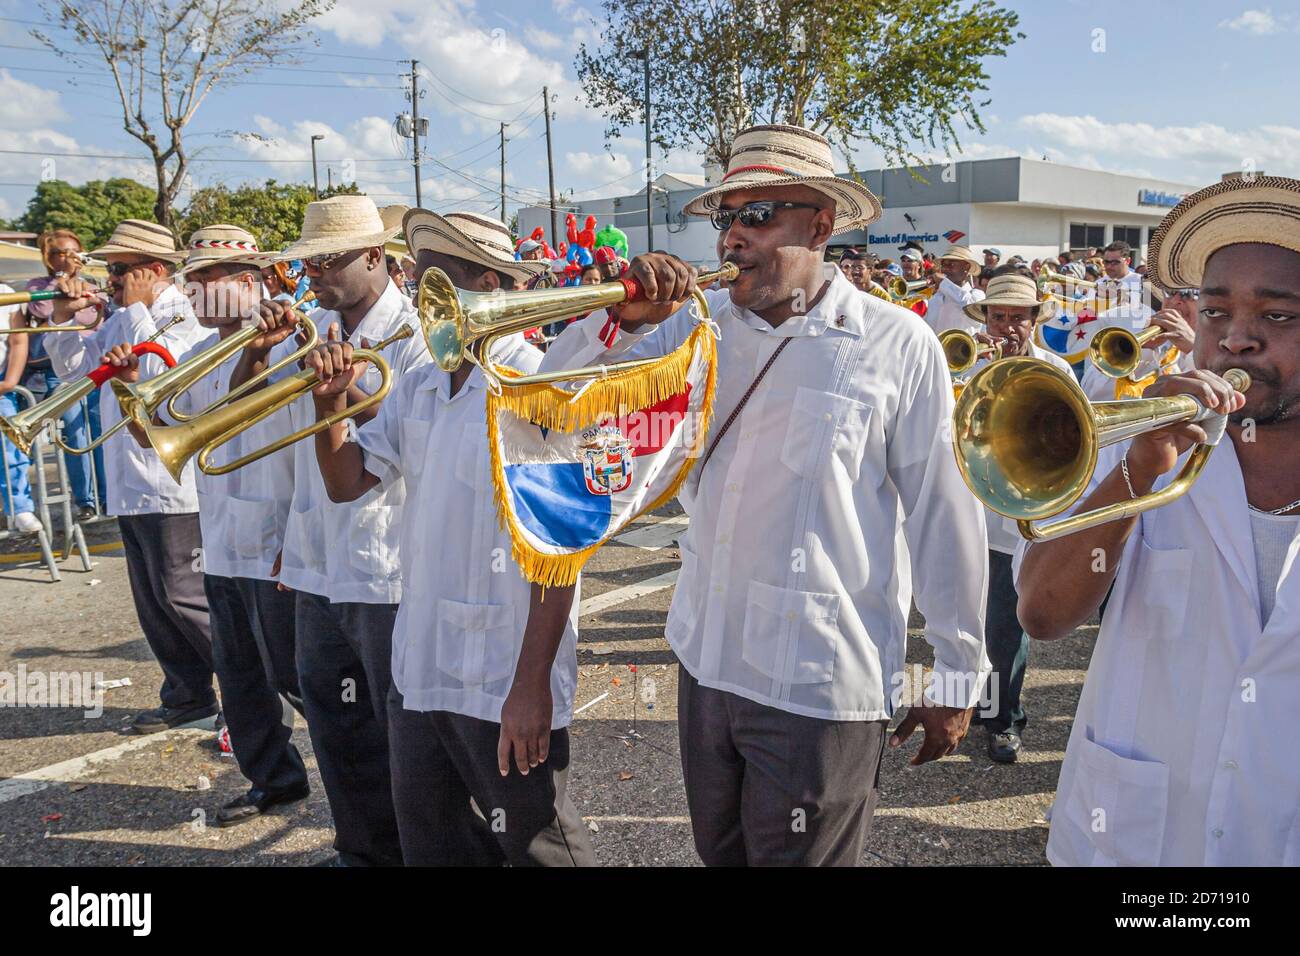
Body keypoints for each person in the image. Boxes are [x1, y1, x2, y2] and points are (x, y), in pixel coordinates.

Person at [540, 123, 989, 866]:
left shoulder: (896, 343)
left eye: (758, 216)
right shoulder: (692, 327)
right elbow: (555, 398)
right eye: (726, 219)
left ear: (820, 224)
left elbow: (945, 514)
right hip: (707, 658)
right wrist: (616, 320)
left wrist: (959, 670)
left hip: (819, 680)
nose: (733, 238)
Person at [1015, 174, 1300, 866]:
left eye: (1277, 317)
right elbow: (1042, 615)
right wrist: (1137, 473)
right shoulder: (1149, 448)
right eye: (1215, 313)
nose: (1236, 340)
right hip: (1137, 843)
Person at [302, 209, 594, 866]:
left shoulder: (535, 384)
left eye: (440, 284)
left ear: (489, 284)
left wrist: (531, 685)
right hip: (421, 664)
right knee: (434, 847)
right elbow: (347, 483)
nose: (424, 301)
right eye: (420, 282)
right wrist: (330, 410)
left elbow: (562, 547)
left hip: (502, 672)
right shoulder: (421, 385)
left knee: (541, 849)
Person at [230, 196, 425, 867]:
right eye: (309, 261)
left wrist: (335, 398)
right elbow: (243, 418)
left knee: (398, 734)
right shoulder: (306, 328)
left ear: (377, 256)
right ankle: (362, 853)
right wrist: (255, 354)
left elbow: (386, 458)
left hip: (385, 566)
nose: (315, 272)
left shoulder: (417, 335)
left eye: (330, 259)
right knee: (338, 731)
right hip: (314, 562)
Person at [112, 225, 311, 825]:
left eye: (205, 278)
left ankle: (377, 791)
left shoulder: (293, 343)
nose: (192, 288)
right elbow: (164, 439)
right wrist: (129, 390)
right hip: (221, 540)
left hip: (279, 539)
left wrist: (301, 536)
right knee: (243, 679)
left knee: (303, 679)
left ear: (248, 283)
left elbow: (308, 445)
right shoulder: (199, 353)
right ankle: (272, 781)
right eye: (189, 278)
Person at [47, 220, 216, 734]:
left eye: (120, 269)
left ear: (152, 271)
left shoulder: (185, 314)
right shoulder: (122, 317)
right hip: (129, 480)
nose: (110, 278)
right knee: (151, 602)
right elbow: (71, 369)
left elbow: (165, 377)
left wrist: (136, 311)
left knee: (184, 596)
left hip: (172, 486)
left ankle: (253, 692)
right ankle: (186, 694)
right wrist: (63, 318)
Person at [961, 272, 1074, 763]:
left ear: (1034, 320)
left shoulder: (1056, 371)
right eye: (998, 316)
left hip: (1018, 522)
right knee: (969, 624)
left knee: (1008, 630)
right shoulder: (966, 367)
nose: (1007, 327)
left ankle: (1005, 720)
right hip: (970, 518)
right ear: (986, 318)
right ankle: (974, 710)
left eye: (1017, 318)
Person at [23, 230, 102, 517]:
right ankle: (85, 500)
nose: (67, 258)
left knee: (99, 427)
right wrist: (62, 283)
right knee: (75, 433)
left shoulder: (91, 285)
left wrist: (73, 300)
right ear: (48, 257)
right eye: (59, 253)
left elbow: (90, 316)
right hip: (59, 369)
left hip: (94, 365)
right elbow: (43, 309)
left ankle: (105, 495)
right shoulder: (38, 285)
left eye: (72, 252)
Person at [0, 288, 40, 533]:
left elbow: (18, 340)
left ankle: (19, 508)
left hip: (0, 384)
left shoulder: (5, 292)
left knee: (10, 450)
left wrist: (9, 382)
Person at [924, 245, 985, 335]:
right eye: (943, 265)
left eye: (951, 264)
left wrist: (944, 283)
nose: (945, 269)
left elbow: (973, 314)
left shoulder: (977, 294)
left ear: (966, 267)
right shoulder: (934, 298)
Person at [1098, 240, 1143, 309]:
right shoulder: (1098, 284)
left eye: (1115, 262)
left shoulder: (1142, 283)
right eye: (1106, 262)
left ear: (1127, 261)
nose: (1109, 266)